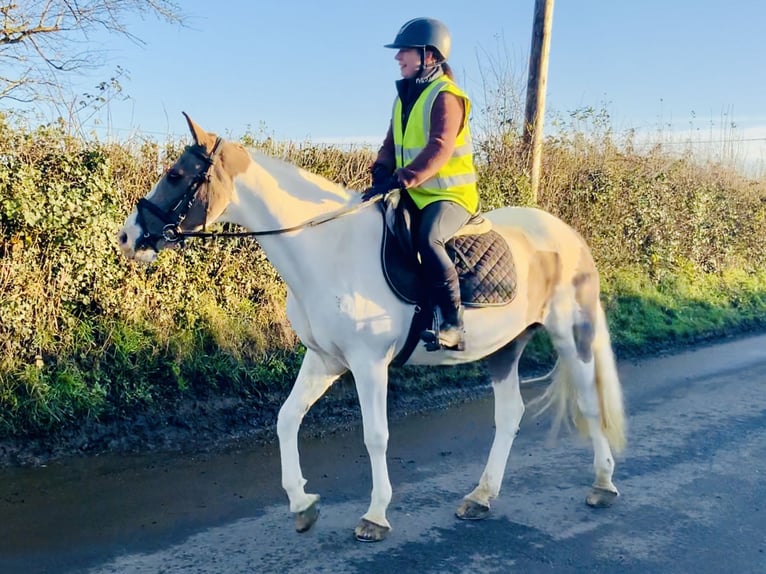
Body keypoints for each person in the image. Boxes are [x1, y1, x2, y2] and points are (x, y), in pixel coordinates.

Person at [368, 17, 480, 351]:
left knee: (429, 239)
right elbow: (390, 145)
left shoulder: (446, 95)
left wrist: (402, 179)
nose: (397, 57)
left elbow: (440, 147)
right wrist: (380, 172)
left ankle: (453, 325)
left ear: (428, 56)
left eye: (404, 51)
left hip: (449, 195)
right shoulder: (403, 97)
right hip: (414, 193)